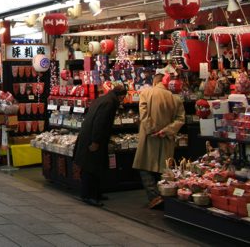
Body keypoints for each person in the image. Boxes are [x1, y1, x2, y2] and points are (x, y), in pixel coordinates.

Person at [133, 72, 186, 209]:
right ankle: (166, 195)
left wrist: (152, 130)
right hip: (166, 138)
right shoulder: (175, 98)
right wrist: (166, 131)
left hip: (149, 137)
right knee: (164, 168)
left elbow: (144, 115)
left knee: (144, 167)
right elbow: (180, 119)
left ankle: (154, 197)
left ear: (154, 82)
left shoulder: (146, 93)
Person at [73, 84, 127, 206]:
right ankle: (89, 196)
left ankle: (96, 193)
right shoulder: (109, 103)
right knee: (91, 168)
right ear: (121, 96)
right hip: (93, 139)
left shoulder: (103, 99)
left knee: (94, 167)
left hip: (88, 136)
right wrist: (95, 141)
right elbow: (100, 123)